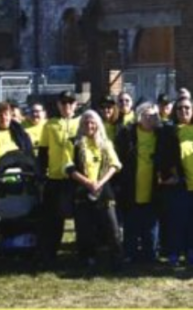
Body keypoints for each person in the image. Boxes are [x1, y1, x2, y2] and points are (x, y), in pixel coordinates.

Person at [68, 110, 123, 271]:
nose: (89, 126)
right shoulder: (73, 143)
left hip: (104, 190)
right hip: (82, 190)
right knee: (84, 229)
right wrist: (87, 183)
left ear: (98, 124)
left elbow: (115, 165)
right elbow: (69, 168)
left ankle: (116, 260)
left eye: (92, 122)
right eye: (86, 123)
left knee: (112, 228)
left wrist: (100, 183)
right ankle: (87, 260)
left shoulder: (106, 144)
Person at [157, 95, 193, 266]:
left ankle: (192, 251)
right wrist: (170, 176)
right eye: (179, 108)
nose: (183, 111)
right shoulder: (169, 130)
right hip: (179, 183)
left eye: (187, 108)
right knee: (176, 220)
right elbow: (163, 157)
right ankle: (175, 252)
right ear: (175, 111)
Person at [38, 90, 81, 265]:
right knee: (54, 219)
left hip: (77, 178)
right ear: (58, 105)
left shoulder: (82, 122)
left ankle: (82, 253)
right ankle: (50, 254)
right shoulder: (50, 125)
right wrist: (42, 174)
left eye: (70, 102)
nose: (67, 106)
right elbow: (43, 152)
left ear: (76, 105)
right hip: (56, 178)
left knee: (81, 218)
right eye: (63, 103)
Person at [116, 102, 161, 263]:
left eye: (153, 116)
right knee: (131, 225)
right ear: (139, 117)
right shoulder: (127, 133)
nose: (150, 119)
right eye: (146, 115)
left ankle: (150, 254)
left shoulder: (162, 134)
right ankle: (130, 253)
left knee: (151, 227)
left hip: (154, 187)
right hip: (131, 187)